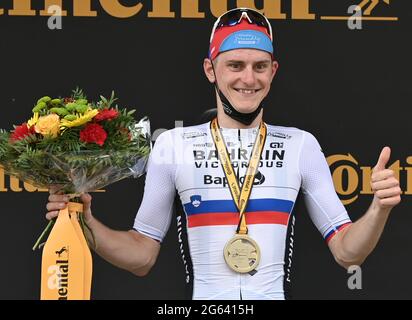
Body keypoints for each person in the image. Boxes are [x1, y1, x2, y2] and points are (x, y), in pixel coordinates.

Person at [46, 8, 401, 300]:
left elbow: (347, 252)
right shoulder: (173, 145)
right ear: (210, 70)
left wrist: (378, 208)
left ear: (273, 71)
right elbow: (141, 256)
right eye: (235, 65)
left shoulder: (300, 145)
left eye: (260, 66)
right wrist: (84, 222)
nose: (249, 78)